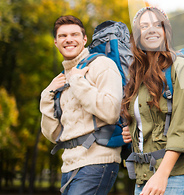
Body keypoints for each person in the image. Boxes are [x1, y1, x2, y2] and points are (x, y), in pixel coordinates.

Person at [121, 6, 184, 195]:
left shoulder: (182, 68)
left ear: (166, 32)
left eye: (158, 24)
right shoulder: (137, 75)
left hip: (172, 176)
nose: (151, 29)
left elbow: (182, 128)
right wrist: (133, 129)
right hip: (143, 175)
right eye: (144, 26)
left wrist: (161, 175)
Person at [40, 15, 123, 195]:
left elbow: (111, 112)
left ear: (84, 39)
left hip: (97, 161)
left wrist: (78, 82)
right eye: (62, 36)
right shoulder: (61, 79)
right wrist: (46, 96)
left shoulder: (102, 64)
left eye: (74, 34)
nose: (68, 39)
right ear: (55, 42)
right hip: (69, 164)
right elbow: (54, 134)